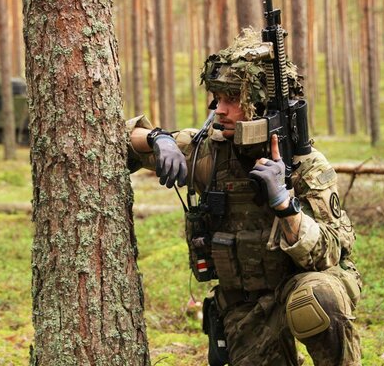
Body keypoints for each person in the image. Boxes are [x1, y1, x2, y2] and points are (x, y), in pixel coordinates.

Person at [126, 29, 362, 366]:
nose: (220, 110)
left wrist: (284, 202)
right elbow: (117, 138)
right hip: (247, 304)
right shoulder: (208, 153)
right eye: (216, 99)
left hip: (302, 285)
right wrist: (156, 138)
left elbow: (329, 255)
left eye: (232, 100)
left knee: (316, 300)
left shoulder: (305, 166)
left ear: (261, 105)